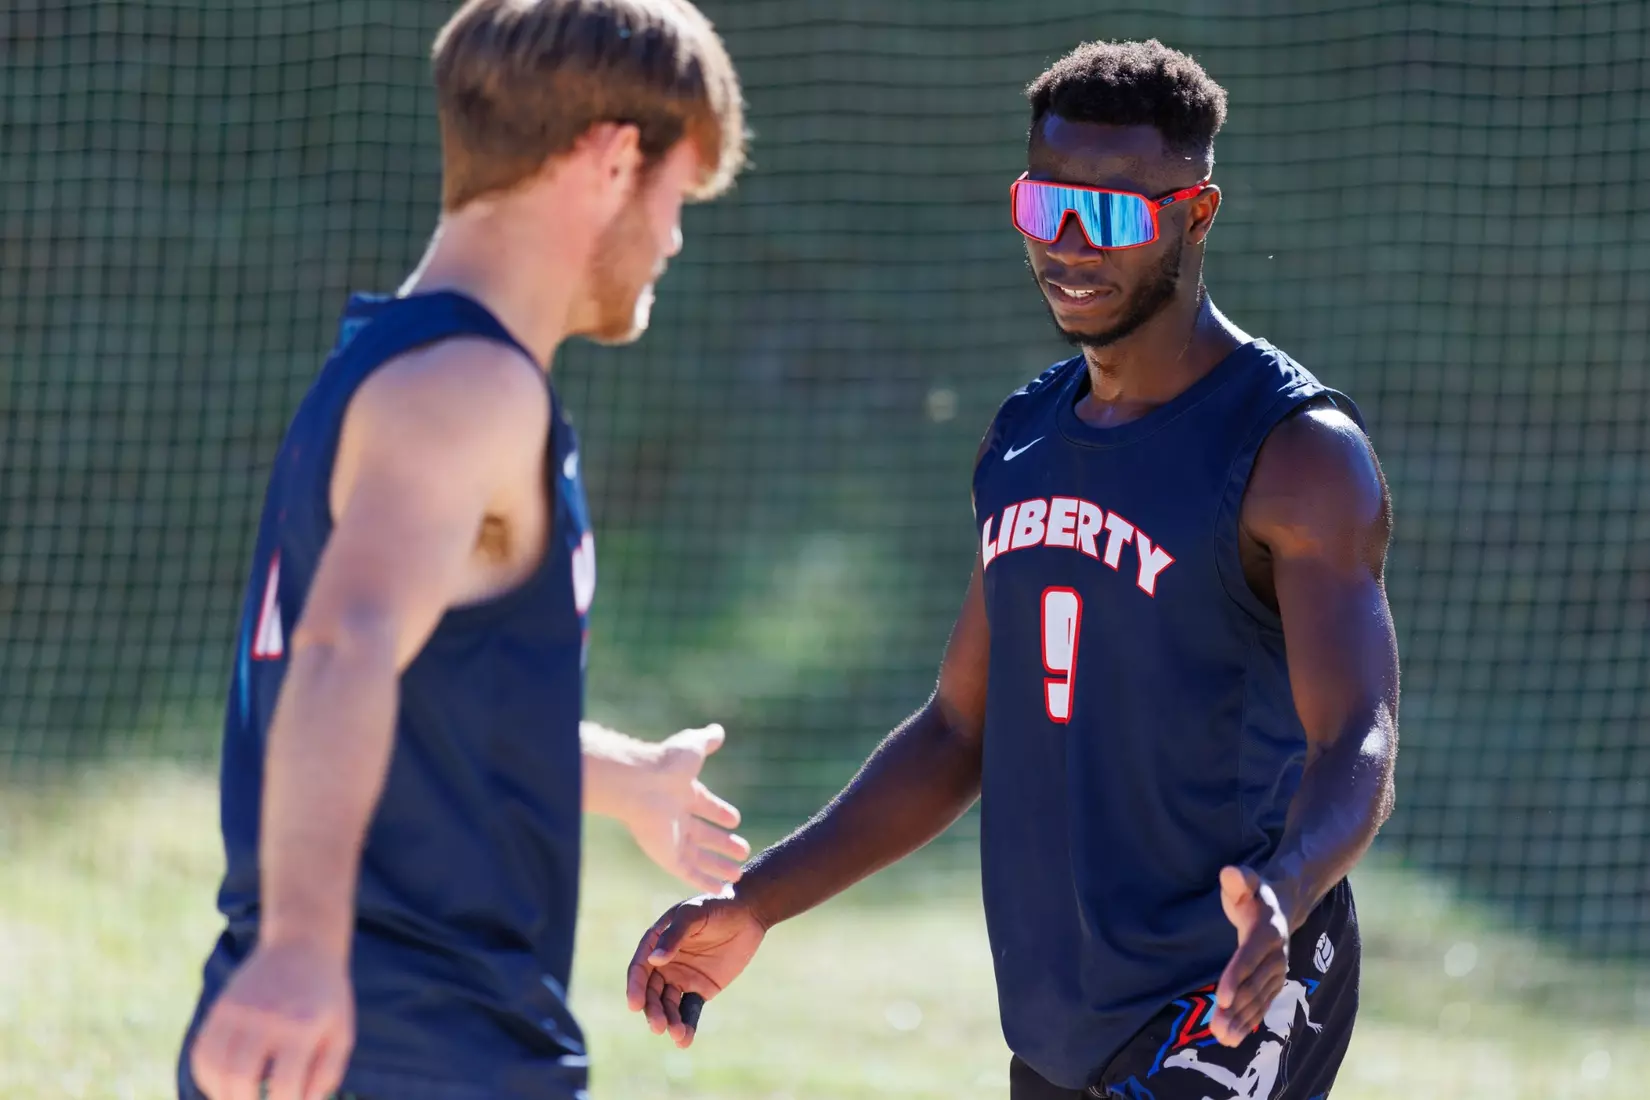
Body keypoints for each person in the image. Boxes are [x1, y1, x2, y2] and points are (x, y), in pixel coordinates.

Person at [626, 39, 1398, 1100]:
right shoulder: (1025, 435)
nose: (1072, 244)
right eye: (1047, 207)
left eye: (1115, 214)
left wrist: (1288, 885)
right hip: (1063, 1011)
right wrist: (757, 899)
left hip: (1237, 984)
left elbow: (1356, 733)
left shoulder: (1297, 453)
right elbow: (958, 729)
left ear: (1197, 214)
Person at [178, 2, 747, 1098]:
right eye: (679, 196)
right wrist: (300, 947)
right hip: (402, 1034)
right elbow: (342, 651)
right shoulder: (468, 390)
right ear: (614, 157)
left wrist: (623, 776)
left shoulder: (402, 363)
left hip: (377, 1030)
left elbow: (414, 690)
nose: (674, 236)